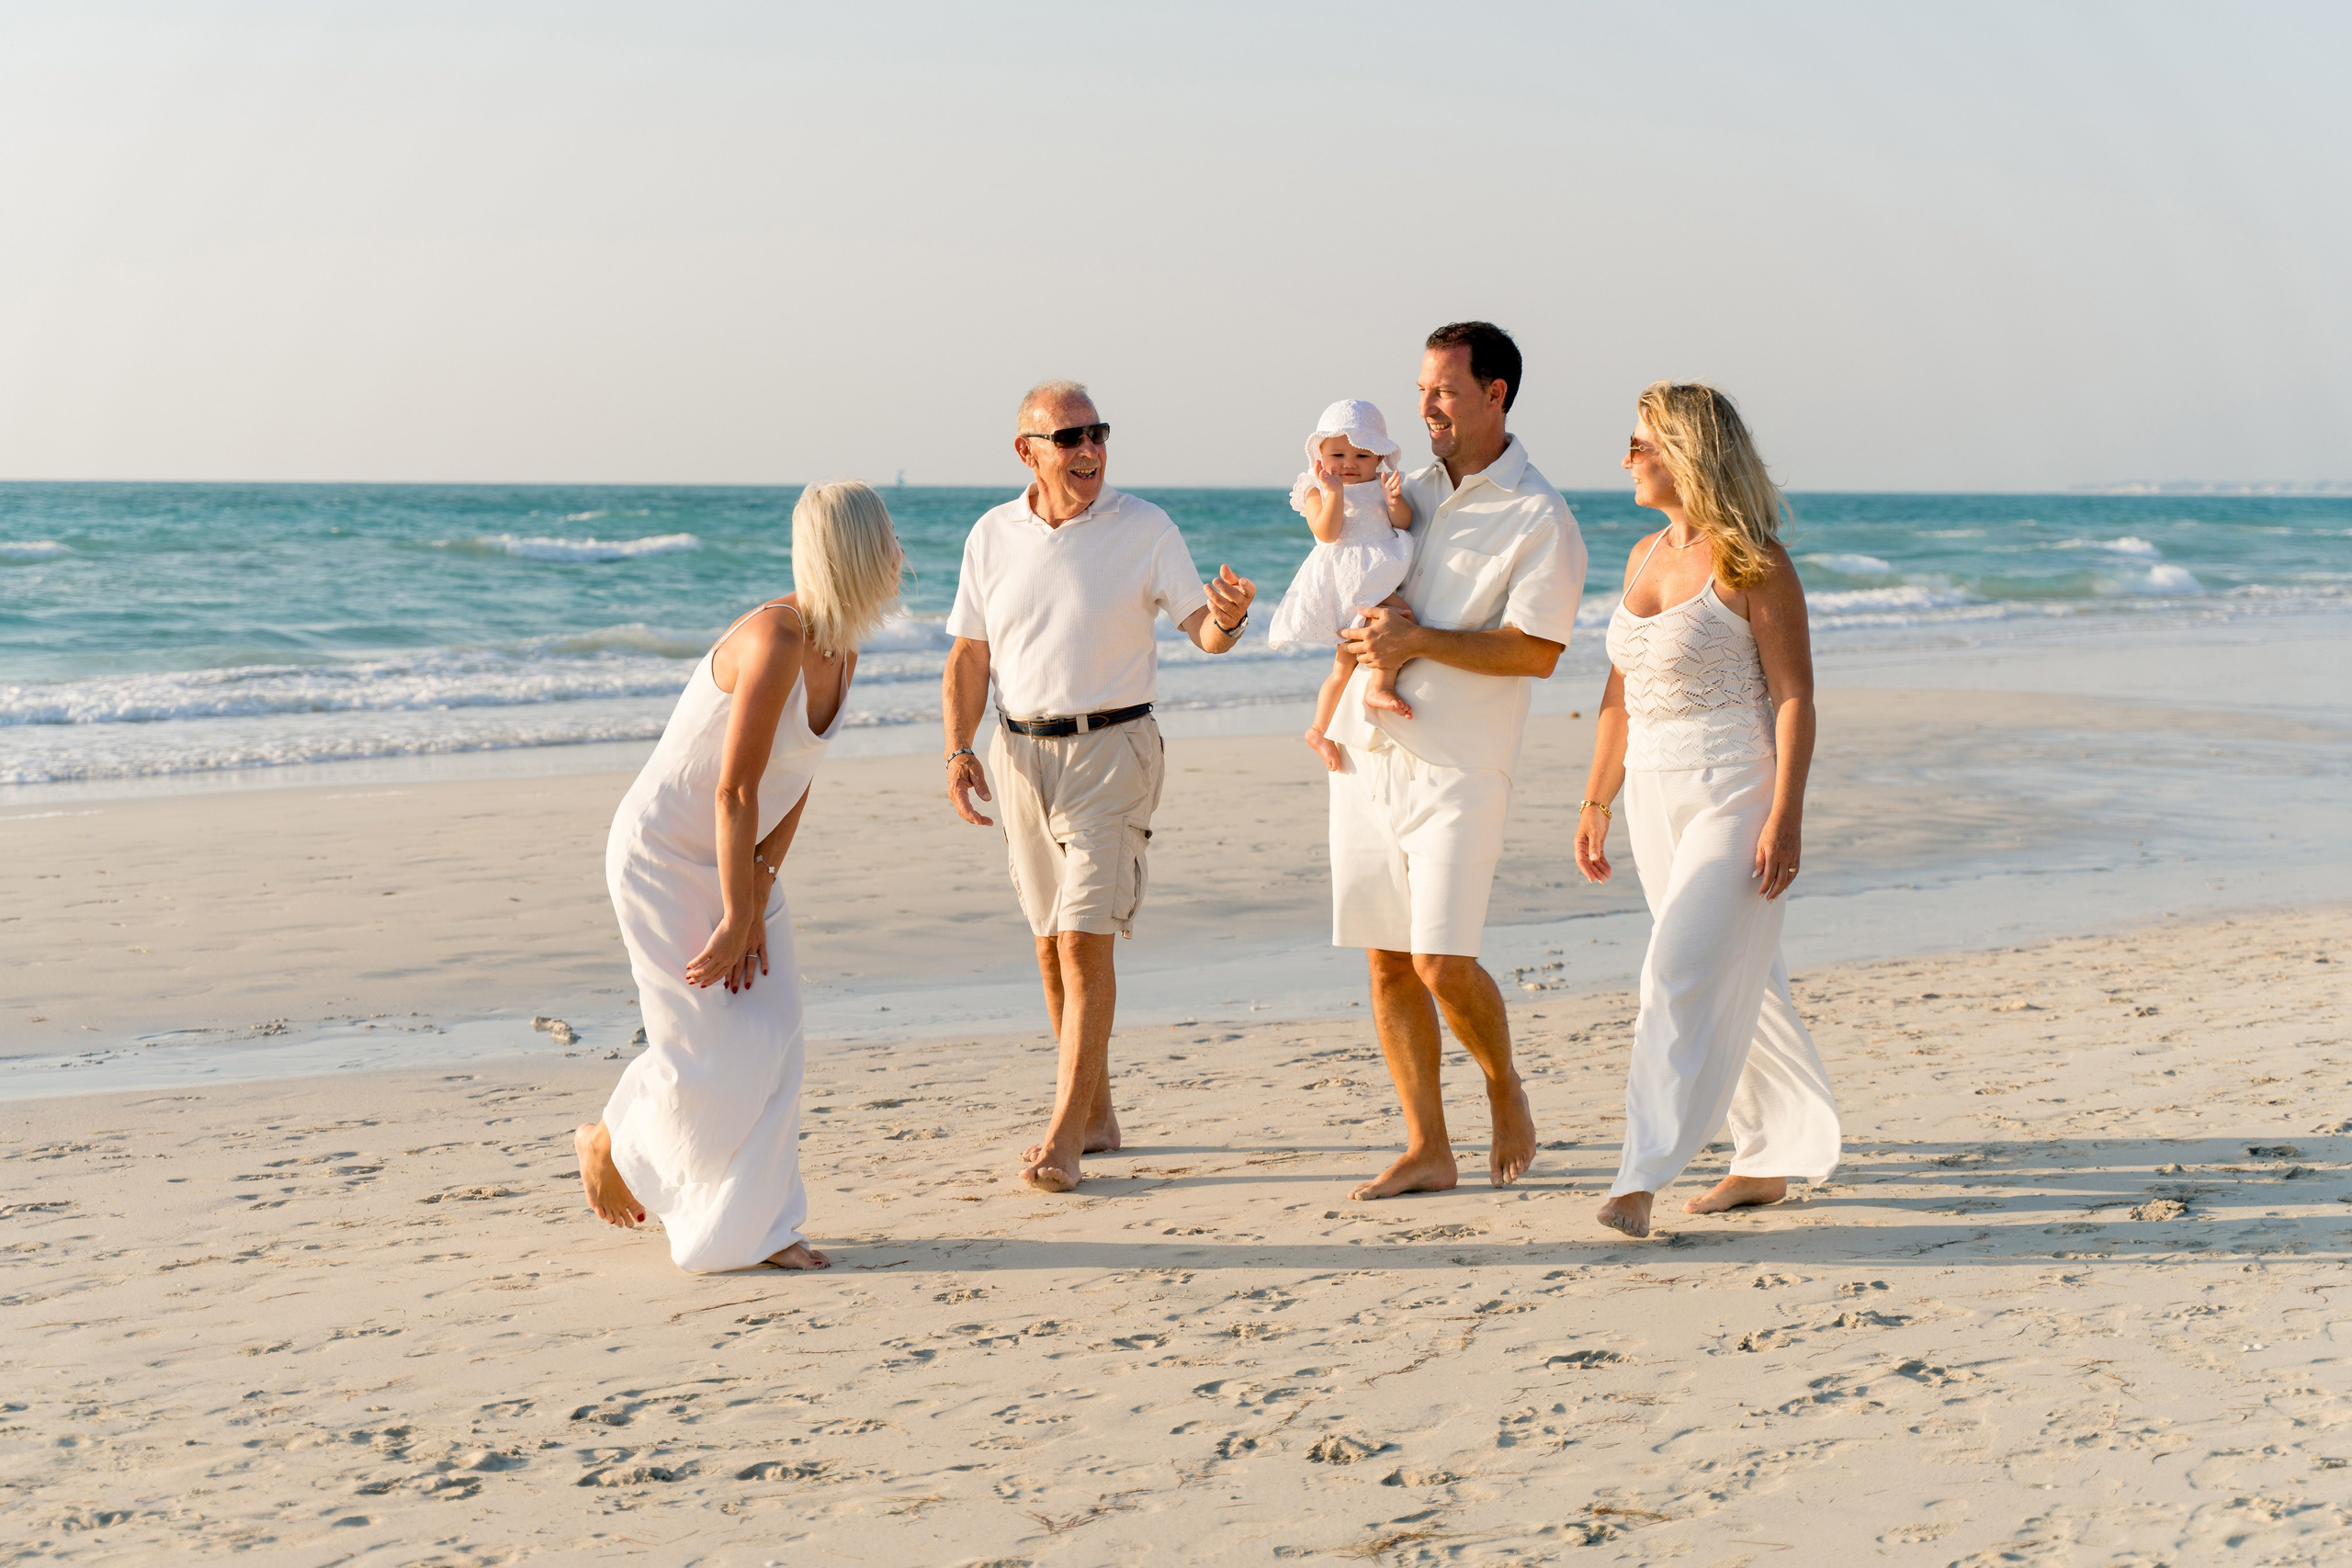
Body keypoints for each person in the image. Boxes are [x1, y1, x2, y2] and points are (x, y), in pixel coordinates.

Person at [573, 481, 905, 1272]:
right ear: (855, 553)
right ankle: (609, 1140)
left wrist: (759, 883)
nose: (899, 557)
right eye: (887, 542)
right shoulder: (777, 637)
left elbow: (796, 777)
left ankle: (762, 1227)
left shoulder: (844, 647)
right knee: (708, 1050)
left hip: (738, 856)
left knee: (776, 1036)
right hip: (662, 855)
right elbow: (734, 789)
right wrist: (735, 911)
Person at [941, 379, 1258, 1193]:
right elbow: (970, 652)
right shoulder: (991, 534)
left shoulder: (1145, 527)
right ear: (1027, 452)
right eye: (1070, 437)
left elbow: (1203, 631)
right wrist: (958, 748)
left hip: (1114, 752)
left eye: (1098, 433)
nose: (1089, 450)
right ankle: (1097, 1115)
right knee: (1051, 944)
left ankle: (1062, 1138)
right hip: (1020, 756)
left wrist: (1228, 616)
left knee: (1084, 940)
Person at [1575, 382, 1842, 1240]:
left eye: (1640, 444)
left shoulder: (1754, 561)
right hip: (1654, 793)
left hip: (1735, 790)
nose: (1626, 458)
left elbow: (1795, 696)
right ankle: (1766, 1157)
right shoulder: (1643, 555)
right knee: (1742, 976)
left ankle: (1638, 1177)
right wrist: (1597, 798)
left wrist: (1786, 816)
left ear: (1686, 453)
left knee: (1675, 974)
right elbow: (1619, 694)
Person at [1328, 322, 1588, 1201]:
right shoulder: (1405, 491)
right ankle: (1427, 1147)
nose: (1426, 407)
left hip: (1463, 767)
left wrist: (1418, 640)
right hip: (1370, 756)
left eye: (1442, 390)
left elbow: (1538, 651)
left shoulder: (1541, 516)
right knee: (1386, 959)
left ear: (1494, 395)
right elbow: (1356, 578)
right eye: (1421, 391)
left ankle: (1503, 1083)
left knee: (1441, 961)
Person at [1268, 400, 1419, 769]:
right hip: (1346, 577)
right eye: (1338, 454)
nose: (1349, 463)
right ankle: (1379, 687)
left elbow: (1404, 523)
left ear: (1378, 457)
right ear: (1319, 454)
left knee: (1344, 663)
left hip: (1374, 571)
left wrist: (1393, 502)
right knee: (1400, 618)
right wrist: (1334, 492)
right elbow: (1327, 532)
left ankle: (1318, 730)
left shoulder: (1379, 484)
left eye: (1362, 455)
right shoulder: (1315, 489)